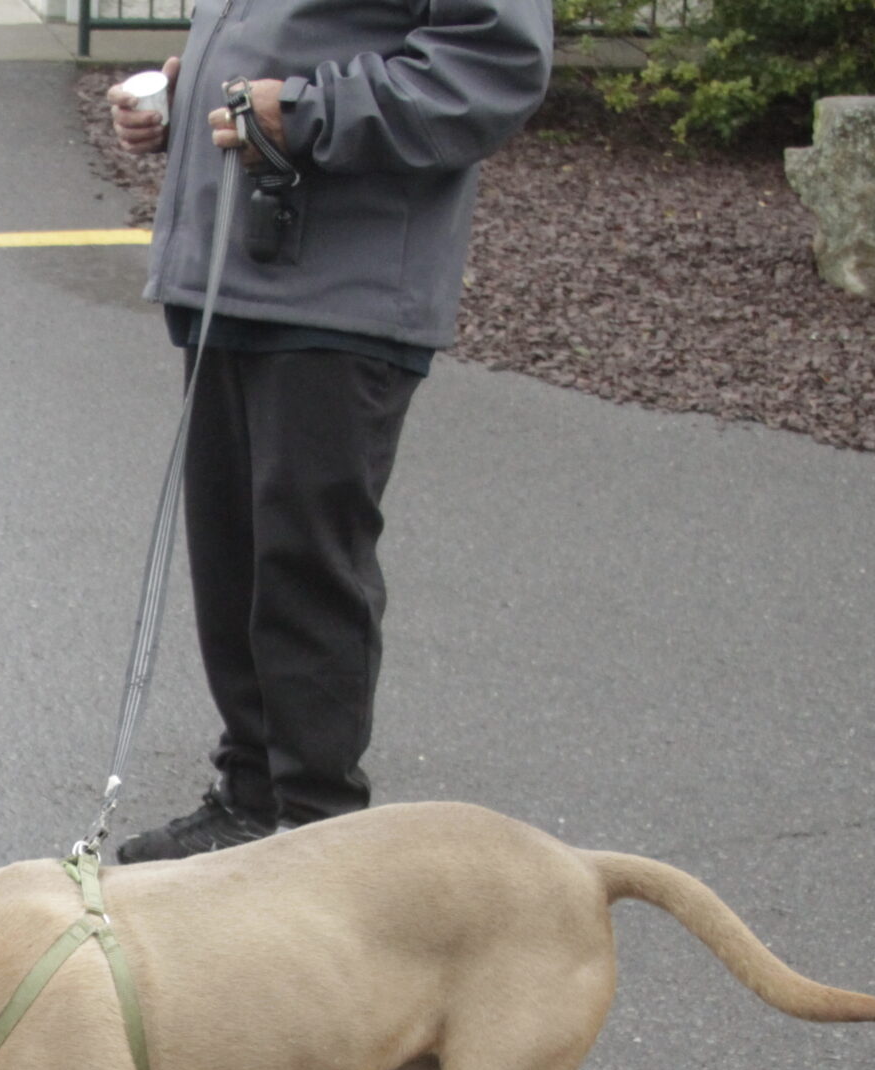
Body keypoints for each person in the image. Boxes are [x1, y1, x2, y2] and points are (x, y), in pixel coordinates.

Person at [106, 0, 549, 862]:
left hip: (341, 289)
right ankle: (252, 797)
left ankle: (318, 832)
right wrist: (186, 99)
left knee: (303, 564)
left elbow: (493, 64)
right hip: (235, 269)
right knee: (233, 557)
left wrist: (307, 113)